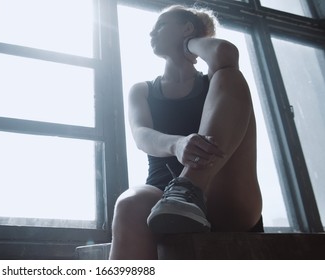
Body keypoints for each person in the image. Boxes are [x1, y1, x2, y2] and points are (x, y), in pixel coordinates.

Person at [109, 5, 263, 259]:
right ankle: (180, 193)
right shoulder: (143, 90)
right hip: (164, 192)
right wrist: (177, 145)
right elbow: (141, 135)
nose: (151, 33)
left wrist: (189, 44)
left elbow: (225, 53)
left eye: (160, 26)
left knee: (232, 78)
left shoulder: (216, 79)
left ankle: (190, 186)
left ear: (188, 29)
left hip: (223, 191)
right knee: (130, 203)